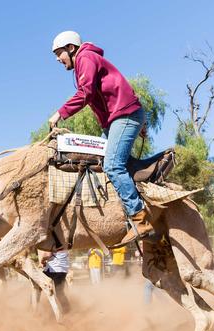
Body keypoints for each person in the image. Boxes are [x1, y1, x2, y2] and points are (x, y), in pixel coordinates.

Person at [48, 31, 151, 245]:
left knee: (113, 166)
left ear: (71, 48)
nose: (58, 59)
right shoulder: (86, 61)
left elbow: (85, 93)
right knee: (111, 162)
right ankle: (138, 203)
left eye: (59, 53)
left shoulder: (85, 57)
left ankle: (139, 219)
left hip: (124, 115)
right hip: (119, 118)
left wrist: (60, 113)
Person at [41, 249, 71, 313]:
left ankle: (67, 310)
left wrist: (42, 260)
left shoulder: (52, 241)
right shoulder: (64, 243)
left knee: (38, 284)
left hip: (54, 269)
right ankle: (66, 309)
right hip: (62, 269)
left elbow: (48, 254)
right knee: (60, 292)